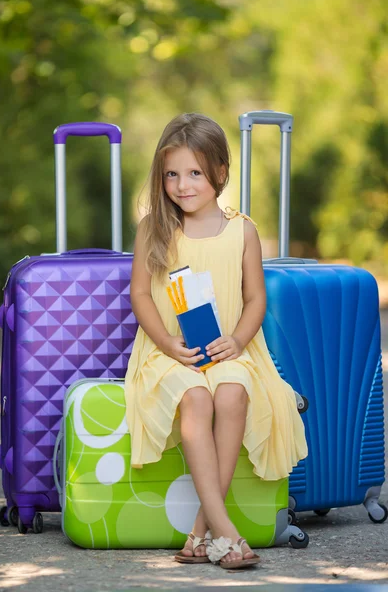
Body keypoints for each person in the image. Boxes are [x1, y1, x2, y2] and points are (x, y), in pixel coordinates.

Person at [125, 113, 308, 569]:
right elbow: (141, 294)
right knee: (195, 398)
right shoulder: (155, 229)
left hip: (229, 348)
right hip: (169, 353)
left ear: (221, 173)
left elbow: (255, 299)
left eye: (195, 173)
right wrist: (167, 342)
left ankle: (202, 531)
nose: (183, 185)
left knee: (231, 393)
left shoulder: (242, 230)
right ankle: (227, 532)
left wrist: (238, 340)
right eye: (172, 174)